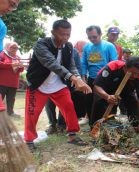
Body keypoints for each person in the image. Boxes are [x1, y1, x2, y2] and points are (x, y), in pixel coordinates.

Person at [24, 19, 92, 151]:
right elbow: (51, 63)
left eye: (68, 34)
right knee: (32, 112)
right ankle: (28, 141)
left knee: (69, 107)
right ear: (53, 32)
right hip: (38, 84)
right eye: (62, 34)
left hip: (58, 85)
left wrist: (78, 78)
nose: (65, 37)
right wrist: (72, 77)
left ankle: (72, 135)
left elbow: (71, 65)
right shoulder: (41, 44)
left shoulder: (69, 46)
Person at [91, 57, 139, 136]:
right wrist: (107, 97)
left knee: (134, 107)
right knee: (100, 106)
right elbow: (96, 87)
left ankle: (137, 131)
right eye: (132, 72)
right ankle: (97, 134)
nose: (135, 76)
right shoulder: (112, 67)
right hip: (106, 90)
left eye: (138, 73)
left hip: (127, 91)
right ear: (125, 67)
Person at [81, 25, 117, 126]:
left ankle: (108, 125)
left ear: (100, 34)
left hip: (105, 80)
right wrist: (83, 77)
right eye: (89, 37)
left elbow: (114, 63)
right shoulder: (87, 47)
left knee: (104, 103)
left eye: (94, 36)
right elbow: (83, 63)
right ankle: (92, 126)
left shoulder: (109, 46)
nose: (92, 39)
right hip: (91, 79)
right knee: (89, 103)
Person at [44, 48, 84, 134]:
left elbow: (76, 66)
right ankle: (52, 124)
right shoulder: (46, 49)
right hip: (48, 82)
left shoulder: (72, 50)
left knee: (65, 104)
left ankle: (62, 125)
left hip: (65, 81)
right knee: (49, 103)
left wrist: (79, 79)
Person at [0, 41, 24, 116]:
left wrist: (21, 66)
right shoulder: (2, 54)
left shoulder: (17, 57)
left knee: (11, 99)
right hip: (2, 82)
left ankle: (10, 112)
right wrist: (11, 64)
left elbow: (21, 70)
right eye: (12, 47)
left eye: (16, 48)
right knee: (0, 98)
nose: (14, 49)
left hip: (13, 83)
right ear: (7, 47)